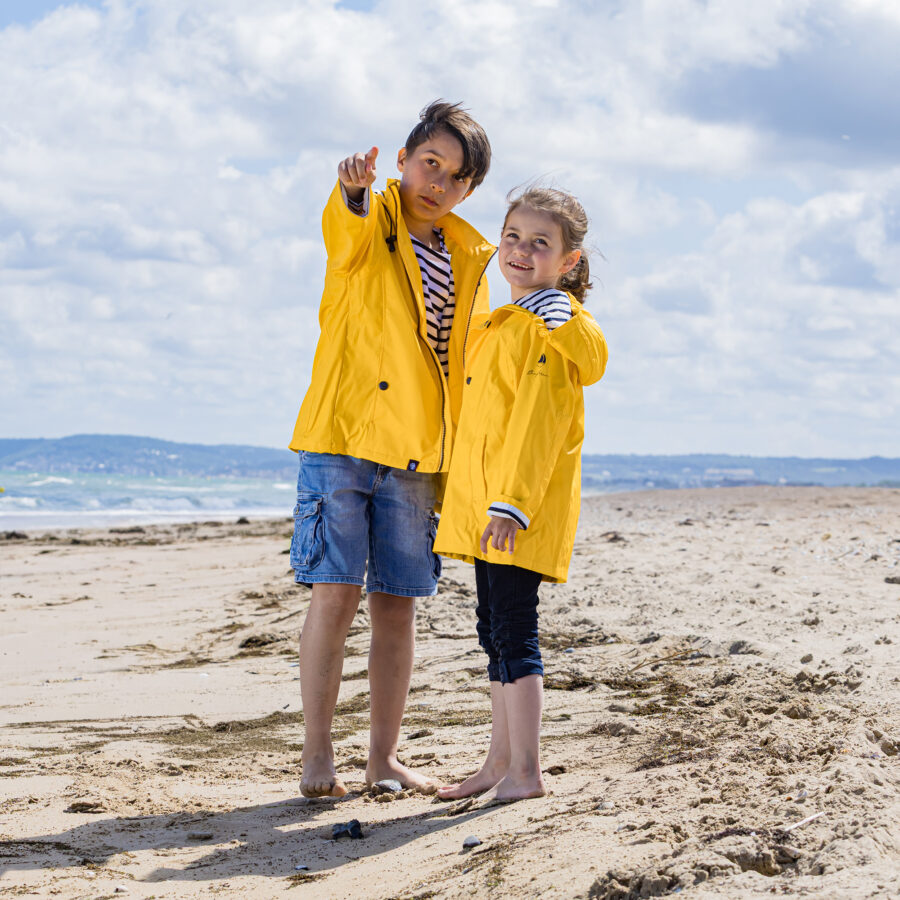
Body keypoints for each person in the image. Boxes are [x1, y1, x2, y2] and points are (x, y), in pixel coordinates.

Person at [288, 101, 493, 798]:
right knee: (335, 595)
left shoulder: (469, 257)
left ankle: (383, 759)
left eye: (456, 176)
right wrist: (351, 190)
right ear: (403, 161)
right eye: (429, 163)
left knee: (398, 606)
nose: (438, 182)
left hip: (417, 455)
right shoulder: (368, 220)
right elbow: (342, 231)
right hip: (343, 437)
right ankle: (319, 756)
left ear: (468, 190)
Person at [434, 186, 608, 803]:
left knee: (514, 630)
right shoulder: (504, 322)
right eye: (513, 236)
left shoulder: (546, 327)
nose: (521, 250)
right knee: (494, 631)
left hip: (516, 509)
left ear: (568, 261)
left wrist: (511, 506)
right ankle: (499, 762)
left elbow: (539, 426)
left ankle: (526, 771)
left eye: (540, 243)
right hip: (490, 506)